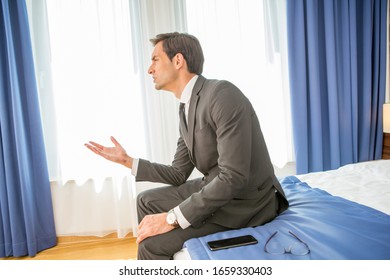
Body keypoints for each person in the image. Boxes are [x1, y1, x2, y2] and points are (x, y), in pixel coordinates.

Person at [85, 32, 289, 260]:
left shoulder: (222, 94)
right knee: (145, 200)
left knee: (150, 247)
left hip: (247, 202)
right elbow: (177, 173)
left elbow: (233, 177)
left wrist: (171, 218)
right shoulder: (185, 107)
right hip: (216, 186)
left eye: (155, 59)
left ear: (178, 60)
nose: (149, 69)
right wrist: (128, 161)